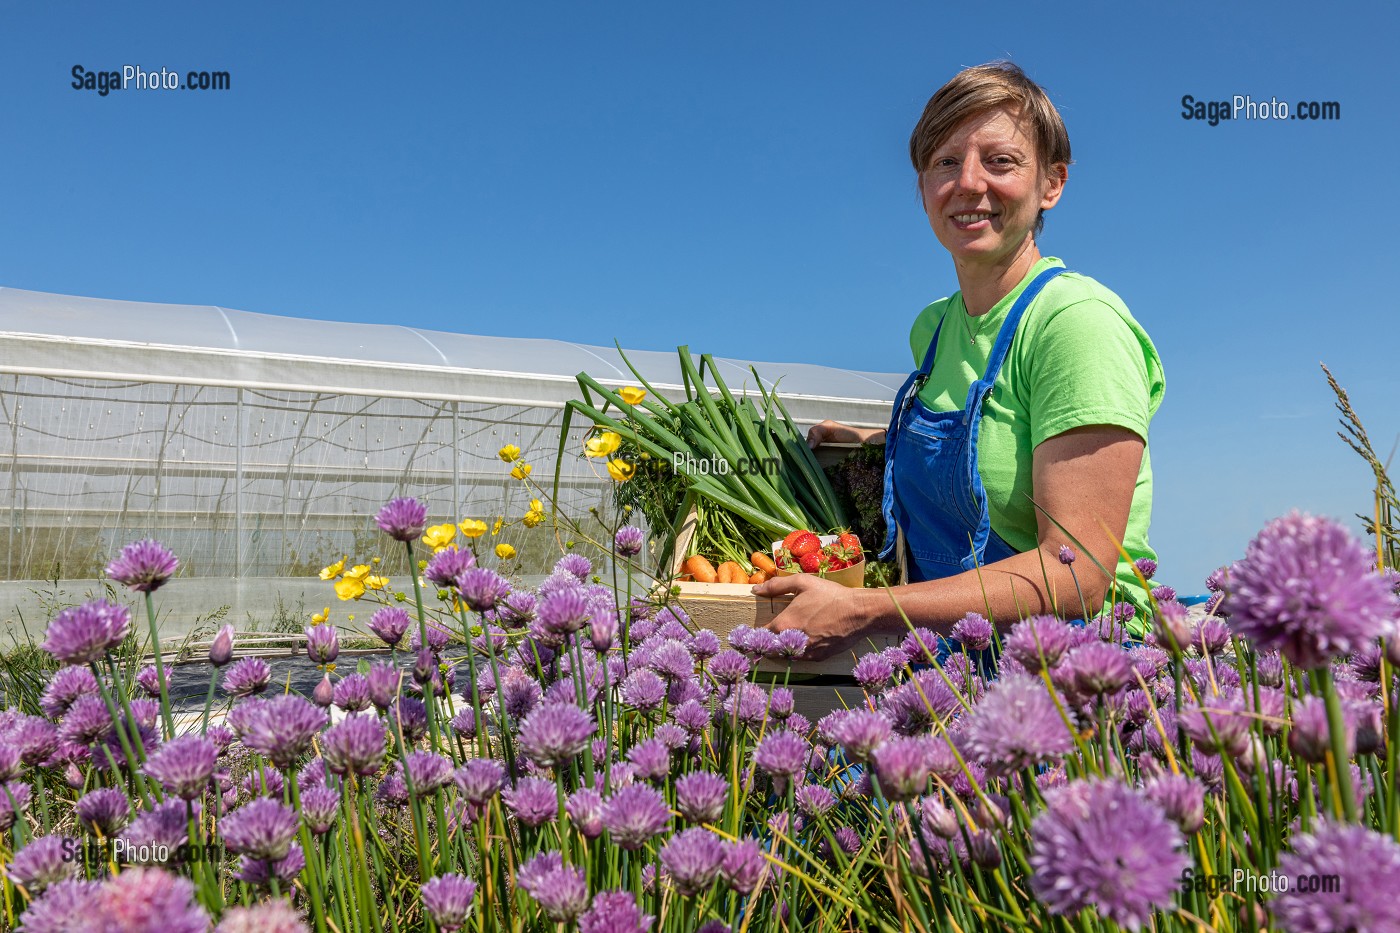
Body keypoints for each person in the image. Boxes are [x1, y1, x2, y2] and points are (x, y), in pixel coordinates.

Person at [753, 61, 1165, 660]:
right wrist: (874, 442)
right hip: (949, 657)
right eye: (946, 162)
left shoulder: (1075, 325)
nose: (969, 182)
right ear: (923, 188)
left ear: (1051, 183)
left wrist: (862, 610)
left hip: (1074, 673)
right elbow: (989, 440)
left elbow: (1076, 573)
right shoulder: (936, 326)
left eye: (999, 161)